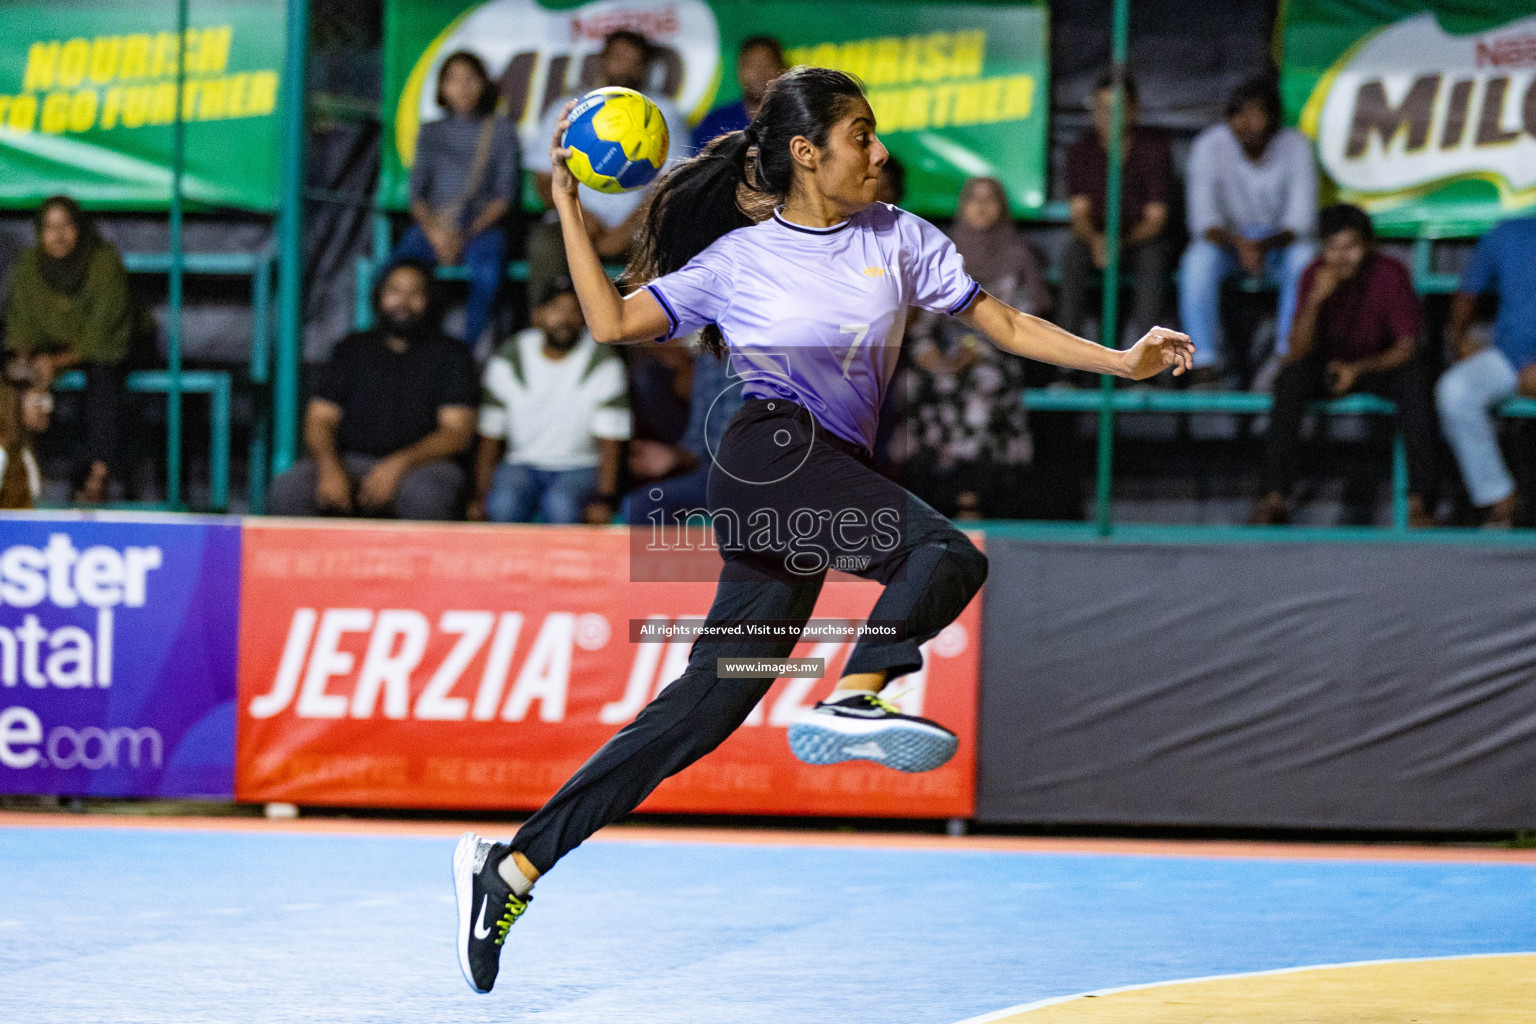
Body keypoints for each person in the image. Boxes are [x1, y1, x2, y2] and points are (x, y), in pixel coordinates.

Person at [451, 66, 1193, 995]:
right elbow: (608, 320)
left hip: (815, 472)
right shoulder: (736, 261)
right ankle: (862, 690)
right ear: (807, 153)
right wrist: (565, 204)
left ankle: (511, 867)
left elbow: (1001, 319)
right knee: (945, 553)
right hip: (768, 454)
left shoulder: (902, 238)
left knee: (705, 710)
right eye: (862, 134)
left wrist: (1120, 362)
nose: (880, 151)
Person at [1251, 205, 1436, 526]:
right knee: (1289, 380)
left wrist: (1360, 370)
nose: (1341, 257)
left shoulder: (1389, 273)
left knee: (1415, 381)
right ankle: (1274, 497)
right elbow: (1296, 351)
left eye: (1350, 247)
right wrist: (1314, 302)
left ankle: (1421, 502)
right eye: (1333, 248)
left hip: (1377, 365)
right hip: (1329, 366)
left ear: (1367, 246)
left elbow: (1408, 346)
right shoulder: (1314, 274)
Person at [266, 260, 477, 520]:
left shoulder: (451, 354)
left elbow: (456, 433)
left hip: (422, 466)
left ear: (429, 300)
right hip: (349, 462)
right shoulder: (351, 349)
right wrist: (330, 468)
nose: (403, 302)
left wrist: (398, 464)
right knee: (290, 490)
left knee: (428, 497)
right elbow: (319, 419)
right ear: (379, 297)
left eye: (414, 294)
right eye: (395, 291)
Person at [905, 176, 1047, 517]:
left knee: (979, 386)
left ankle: (972, 493)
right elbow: (923, 323)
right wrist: (926, 351)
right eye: (973, 200)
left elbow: (1022, 324)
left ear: (1002, 208)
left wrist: (976, 350)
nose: (981, 208)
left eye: (990, 200)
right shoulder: (942, 257)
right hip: (949, 359)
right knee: (921, 384)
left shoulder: (1018, 256)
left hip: (998, 358)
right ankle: (936, 494)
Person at [527, 30, 692, 310]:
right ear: (603, 61)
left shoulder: (662, 112)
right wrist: (579, 217)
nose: (625, 67)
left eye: (634, 61)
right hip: (574, 219)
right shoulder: (569, 109)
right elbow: (544, 180)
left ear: (645, 67)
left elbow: (672, 185)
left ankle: (647, 344)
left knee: (661, 248)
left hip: (642, 225)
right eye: (618, 58)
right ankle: (550, 336)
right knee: (544, 244)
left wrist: (627, 231)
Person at [1180, 77, 1318, 384]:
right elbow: (1203, 221)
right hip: (1227, 246)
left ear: (1274, 118)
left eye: (1255, 113)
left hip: (1278, 247)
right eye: (1238, 114)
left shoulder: (1295, 145)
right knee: (1197, 260)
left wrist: (1261, 246)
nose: (1246, 123)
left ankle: (1286, 355)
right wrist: (1239, 245)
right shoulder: (1210, 145)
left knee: (1305, 257)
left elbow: (1301, 222)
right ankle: (1203, 361)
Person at [2, 195, 132, 503]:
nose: (58, 236)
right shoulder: (29, 267)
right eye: (49, 228)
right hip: (50, 355)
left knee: (103, 379)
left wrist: (57, 363)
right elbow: (20, 331)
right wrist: (31, 380)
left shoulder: (103, 263)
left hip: (107, 351)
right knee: (13, 379)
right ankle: (15, 480)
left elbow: (104, 334)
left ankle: (98, 477)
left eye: (67, 226)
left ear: (80, 228)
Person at [470, 279, 629, 524]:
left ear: (585, 317)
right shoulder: (510, 356)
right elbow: (490, 434)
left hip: (581, 467)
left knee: (561, 505)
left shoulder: (603, 361)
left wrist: (605, 498)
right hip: (520, 465)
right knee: (502, 503)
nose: (564, 318)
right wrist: (480, 496)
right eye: (555, 308)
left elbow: (611, 440)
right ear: (537, 316)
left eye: (574, 310)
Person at [393, 51, 521, 350]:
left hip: (481, 228)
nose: (462, 87)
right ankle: (405, 346)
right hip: (434, 227)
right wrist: (437, 235)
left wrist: (466, 235)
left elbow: (504, 197)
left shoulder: (501, 131)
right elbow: (416, 196)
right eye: (453, 80)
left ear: (484, 84)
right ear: (442, 88)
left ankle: (465, 352)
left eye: (470, 79)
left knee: (487, 276)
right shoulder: (430, 131)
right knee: (395, 271)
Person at [1435, 214, 1536, 528]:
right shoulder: (1508, 233)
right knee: (1455, 391)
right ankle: (1500, 499)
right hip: (1510, 360)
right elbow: (1467, 295)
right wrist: (1459, 337)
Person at [1060, 72, 1174, 347]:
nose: (1107, 116)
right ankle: (1065, 366)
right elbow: (1080, 215)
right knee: (1072, 256)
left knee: (1153, 260)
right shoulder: (1081, 151)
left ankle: (1147, 362)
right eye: (1100, 108)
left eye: (1116, 109)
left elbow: (1156, 219)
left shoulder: (1153, 150)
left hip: (1141, 239)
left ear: (1133, 111)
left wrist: (1120, 242)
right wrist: (1098, 240)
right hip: (1096, 238)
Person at [695, 36, 785, 143]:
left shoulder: (797, 118)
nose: (760, 73)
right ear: (739, 71)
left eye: (768, 64)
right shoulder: (716, 122)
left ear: (782, 69)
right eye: (752, 65)